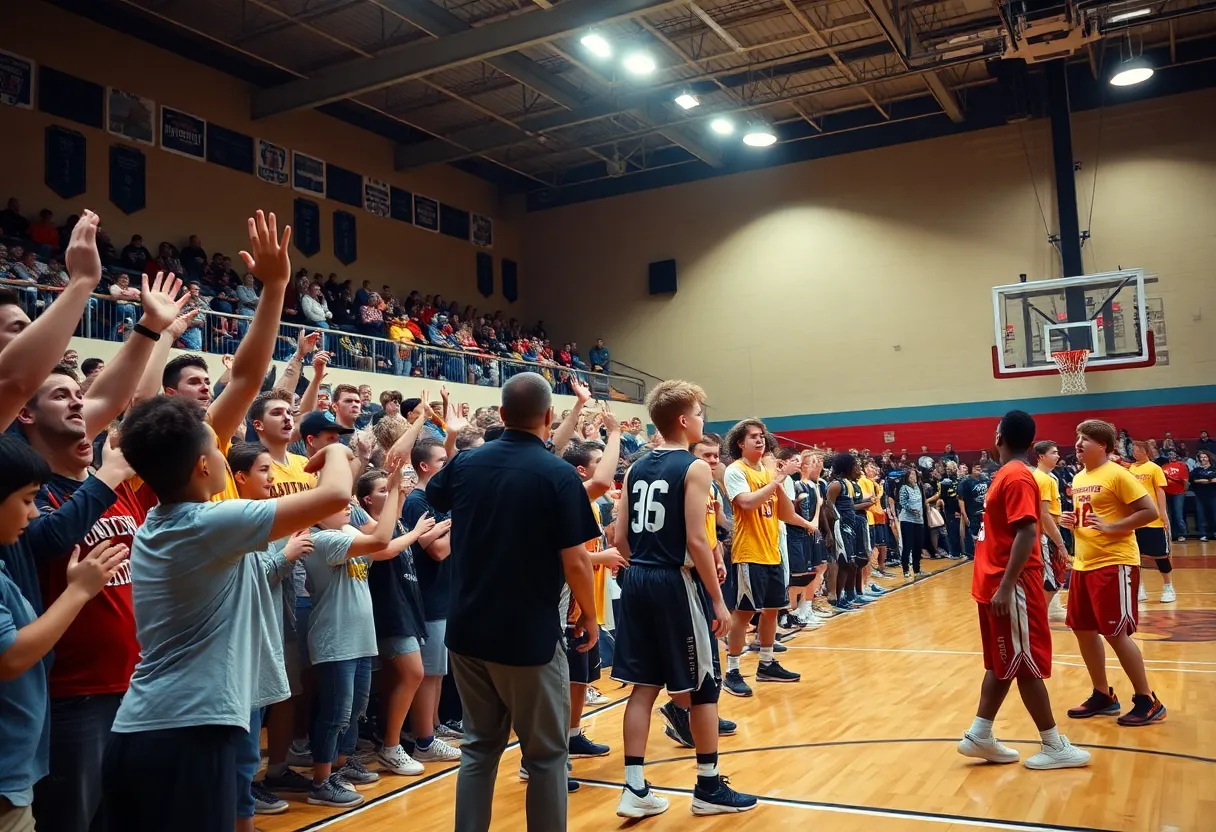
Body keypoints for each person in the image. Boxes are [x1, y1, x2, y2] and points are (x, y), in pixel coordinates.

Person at [99, 395, 356, 831]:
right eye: (218, 450)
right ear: (204, 466)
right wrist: (331, 451)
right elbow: (334, 494)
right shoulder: (208, 522)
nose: (224, 453)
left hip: (147, 727)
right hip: (188, 730)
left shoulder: (162, 522)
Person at [416, 372, 599, 832]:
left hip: (466, 631)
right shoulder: (559, 474)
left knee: (478, 749)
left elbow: (434, 494)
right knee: (547, 756)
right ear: (549, 416)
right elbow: (577, 560)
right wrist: (591, 615)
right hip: (527, 638)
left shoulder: (466, 463)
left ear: (501, 414)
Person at [610, 381, 757, 818]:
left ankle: (634, 788)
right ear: (682, 420)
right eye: (698, 412)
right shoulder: (693, 468)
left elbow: (619, 539)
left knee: (644, 686)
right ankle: (708, 786)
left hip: (637, 578)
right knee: (704, 687)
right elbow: (696, 539)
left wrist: (643, 570)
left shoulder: (635, 468)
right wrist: (717, 600)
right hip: (674, 582)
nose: (702, 419)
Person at [0, 436, 128, 832]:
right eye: (26, 500)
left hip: (21, 763)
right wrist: (78, 592)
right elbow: (10, 657)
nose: (32, 513)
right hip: (15, 764)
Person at [957, 411, 1091, 770]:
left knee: (1009, 662)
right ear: (1032, 444)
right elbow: (1027, 533)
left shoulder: (1010, 475)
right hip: (1009, 585)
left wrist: (1002, 586)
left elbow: (1022, 532)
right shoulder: (1016, 475)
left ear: (998, 438)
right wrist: (1005, 587)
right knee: (1022, 663)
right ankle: (1053, 745)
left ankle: (980, 735)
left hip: (1002, 583)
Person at [1059, 419, 1167, 726]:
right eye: (1077, 437)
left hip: (1114, 562)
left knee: (1114, 633)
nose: (1078, 443)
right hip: (1083, 564)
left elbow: (1149, 511)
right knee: (1082, 630)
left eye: (1085, 439)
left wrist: (1112, 527)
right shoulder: (1080, 477)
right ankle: (1102, 694)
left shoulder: (1119, 474)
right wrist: (1074, 520)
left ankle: (1148, 699)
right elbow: (1093, 515)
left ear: (1102, 446)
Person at [721, 419, 810, 696]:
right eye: (753, 436)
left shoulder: (768, 472)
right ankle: (732, 671)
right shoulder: (736, 471)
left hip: (772, 551)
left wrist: (805, 520)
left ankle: (767, 664)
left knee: (772, 610)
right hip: (749, 552)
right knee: (744, 613)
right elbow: (746, 503)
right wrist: (777, 481)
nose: (760, 440)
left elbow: (784, 513)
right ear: (740, 443)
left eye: (761, 435)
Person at [1127, 441, 1175, 604]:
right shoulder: (1130, 469)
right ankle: (1140, 588)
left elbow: (1160, 491)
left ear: (1146, 451)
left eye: (1138, 449)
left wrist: (1163, 513)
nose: (1135, 452)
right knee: (1136, 556)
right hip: (1135, 518)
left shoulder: (1154, 468)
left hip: (1153, 518)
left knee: (1160, 555)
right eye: (1133, 449)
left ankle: (1168, 587)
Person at [1032, 441, 1070, 622]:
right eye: (1053, 453)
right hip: (1046, 534)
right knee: (1052, 578)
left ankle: (1050, 609)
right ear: (1041, 456)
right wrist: (1060, 544)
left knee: (1053, 576)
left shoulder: (1046, 477)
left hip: (1048, 531)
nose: (1058, 456)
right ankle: (1038, 618)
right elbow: (1044, 514)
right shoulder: (1044, 479)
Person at [898, 468, 926, 578]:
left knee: (918, 545)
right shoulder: (904, 488)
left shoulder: (919, 487)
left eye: (914, 474)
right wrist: (912, 510)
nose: (912, 476)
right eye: (910, 475)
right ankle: (905, 569)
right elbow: (902, 502)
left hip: (919, 520)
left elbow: (922, 501)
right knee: (907, 545)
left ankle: (917, 569)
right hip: (907, 520)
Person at [958, 464, 990, 558]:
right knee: (974, 535)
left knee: (986, 534)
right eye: (976, 468)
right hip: (972, 513)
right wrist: (964, 513)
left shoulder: (986, 480)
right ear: (971, 469)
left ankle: (985, 553)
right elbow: (961, 499)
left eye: (980, 468)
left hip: (985, 511)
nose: (979, 469)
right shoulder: (966, 482)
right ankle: (975, 554)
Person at [1191, 450, 1216, 541]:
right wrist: (1209, 480)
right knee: (1201, 515)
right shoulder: (1196, 470)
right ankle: (1203, 534)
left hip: (1213, 495)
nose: (1203, 459)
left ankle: (1214, 532)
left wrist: (1203, 480)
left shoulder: (1214, 469)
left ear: (1208, 458)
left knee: (1214, 514)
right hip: (1200, 496)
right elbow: (1194, 480)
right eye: (1201, 457)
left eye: (1205, 457)